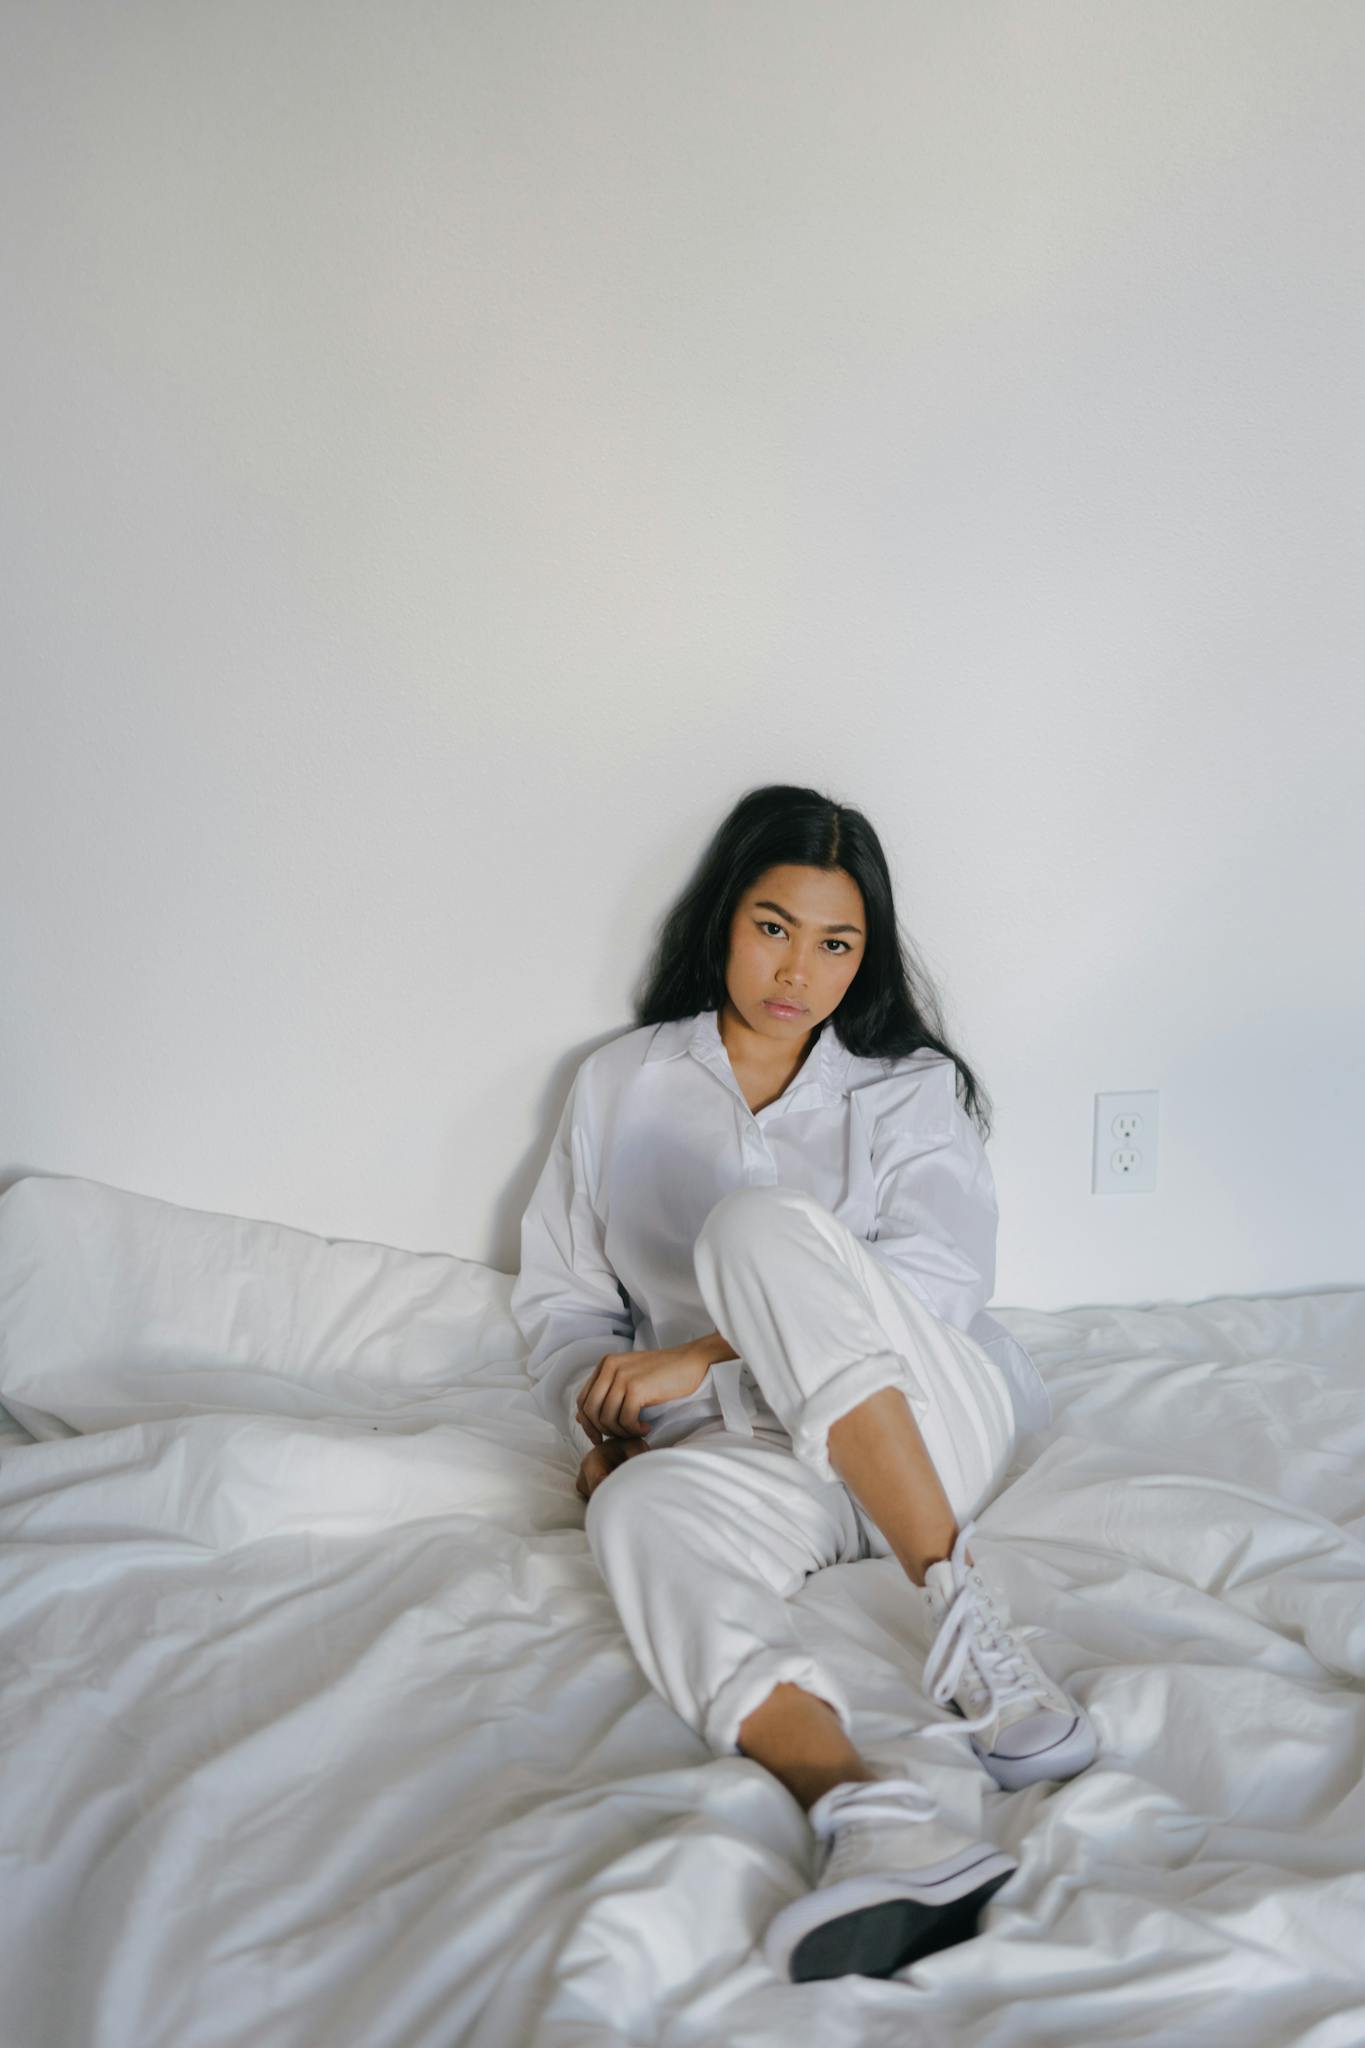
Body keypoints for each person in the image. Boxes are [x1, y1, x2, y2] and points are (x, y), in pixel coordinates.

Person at [511, 782, 1096, 1984]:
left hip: (929, 1424)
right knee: (633, 1514)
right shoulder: (619, 1083)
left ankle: (968, 1622)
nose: (801, 969)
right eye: (775, 925)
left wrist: (701, 1348)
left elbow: (933, 1282)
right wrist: (610, 1414)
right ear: (725, 917)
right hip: (760, 1452)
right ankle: (868, 1811)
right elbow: (565, 1302)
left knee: (754, 1231)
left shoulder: (907, 1086)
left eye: (838, 942)